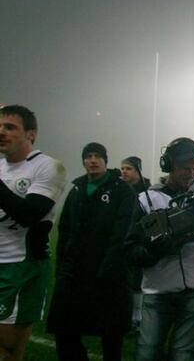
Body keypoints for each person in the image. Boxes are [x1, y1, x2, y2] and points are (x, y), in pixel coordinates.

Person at [125, 138, 194, 361]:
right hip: (158, 292)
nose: (189, 173)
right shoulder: (144, 201)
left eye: (193, 168)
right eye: (183, 168)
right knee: (146, 354)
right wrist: (160, 248)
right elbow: (130, 251)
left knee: (184, 355)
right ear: (168, 165)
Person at [46, 143, 135, 361]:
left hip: (107, 275)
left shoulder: (121, 190)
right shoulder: (77, 188)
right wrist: (63, 267)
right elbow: (64, 228)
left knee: (111, 334)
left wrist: (108, 268)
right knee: (64, 329)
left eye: (97, 156)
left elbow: (122, 233)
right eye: (88, 156)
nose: (92, 160)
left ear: (106, 161)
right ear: (83, 160)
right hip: (74, 273)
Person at [0, 105, 68, 361]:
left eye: (10, 127)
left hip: (20, 266)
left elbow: (29, 214)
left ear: (31, 134)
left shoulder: (48, 167)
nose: (1, 132)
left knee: (6, 346)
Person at [120, 155, 150, 333]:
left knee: (137, 280)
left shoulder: (146, 191)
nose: (124, 171)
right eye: (123, 168)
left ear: (138, 170)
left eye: (128, 168)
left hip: (138, 240)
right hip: (121, 239)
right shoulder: (119, 189)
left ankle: (136, 319)